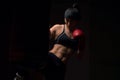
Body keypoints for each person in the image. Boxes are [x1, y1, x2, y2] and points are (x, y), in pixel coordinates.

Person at [43, 3, 85, 80]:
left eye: (72, 21)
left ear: (76, 21)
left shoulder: (79, 35)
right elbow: (45, 38)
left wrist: (82, 43)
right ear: (65, 19)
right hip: (51, 59)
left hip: (61, 66)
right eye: (67, 20)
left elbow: (79, 56)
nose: (69, 23)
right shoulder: (58, 28)